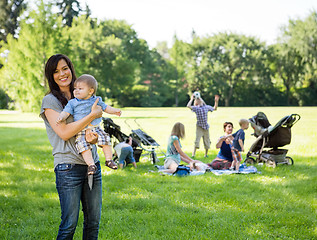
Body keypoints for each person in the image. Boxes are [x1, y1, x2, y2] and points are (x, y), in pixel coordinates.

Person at [40, 54, 103, 239]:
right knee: (69, 224)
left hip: (92, 165)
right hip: (68, 168)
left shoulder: (85, 93)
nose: (62, 74)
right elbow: (65, 132)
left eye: (64, 68)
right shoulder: (50, 101)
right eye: (56, 71)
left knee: (93, 223)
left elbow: (95, 126)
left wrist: (94, 137)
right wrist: (91, 116)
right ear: (51, 76)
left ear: (71, 68)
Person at [56, 74, 121, 171]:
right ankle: (91, 165)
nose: (76, 91)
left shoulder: (96, 100)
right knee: (83, 146)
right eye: (75, 88)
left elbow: (106, 107)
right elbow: (66, 111)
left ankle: (109, 160)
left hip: (96, 127)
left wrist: (115, 111)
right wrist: (61, 117)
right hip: (81, 129)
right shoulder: (73, 102)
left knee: (105, 139)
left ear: (90, 91)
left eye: (80, 88)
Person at [187, 93, 219, 158]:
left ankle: (206, 154)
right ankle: (193, 154)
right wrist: (191, 99)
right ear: (196, 102)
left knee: (206, 140)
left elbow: (215, 108)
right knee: (197, 140)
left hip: (206, 126)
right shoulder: (196, 108)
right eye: (197, 100)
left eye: (200, 99)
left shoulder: (206, 107)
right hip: (199, 126)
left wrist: (216, 101)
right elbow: (188, 106)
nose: (199, 100)